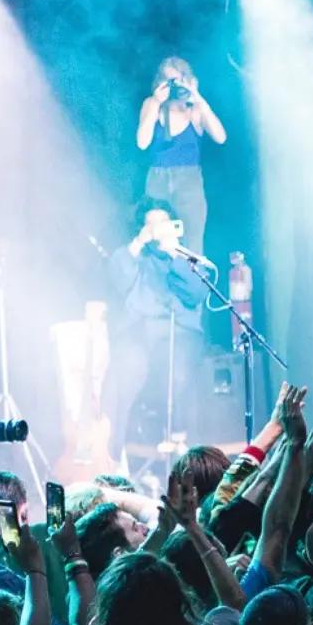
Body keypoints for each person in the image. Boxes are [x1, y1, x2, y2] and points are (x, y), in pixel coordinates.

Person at [105, 199, 211, 460]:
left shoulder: (186, 257)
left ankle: (178, 441)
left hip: (179, 330)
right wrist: (138, 243)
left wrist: (174, 252)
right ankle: (114, 452)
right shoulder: (136, 257)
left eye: (163, 222)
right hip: (140, 331)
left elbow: (196, 293)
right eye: (151, 224)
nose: (158, 228)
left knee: (177, 367)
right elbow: (117, 275)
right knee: (124, 372)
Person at [135, 57, 227, 258]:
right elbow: (142, 143)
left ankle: (191, 287)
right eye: (169, 81)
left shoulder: (195, 109)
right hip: (157, 180)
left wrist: (198, 97)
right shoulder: (152, 104)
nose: (175, 87)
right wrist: (156, 104)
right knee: (155, 241)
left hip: (189, 181)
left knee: (191, 245)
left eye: (179, 81)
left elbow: (220, 137)